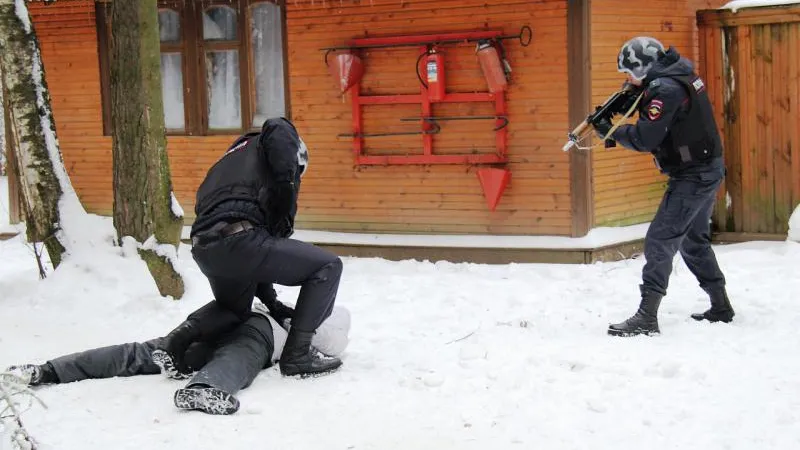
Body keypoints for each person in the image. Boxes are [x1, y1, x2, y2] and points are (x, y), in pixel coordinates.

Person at [153, 117, 344, 378]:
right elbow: (277, 126)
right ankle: (297, 356)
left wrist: (272, 302)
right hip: (239, 240)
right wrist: (287, 188)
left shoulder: (225, 168)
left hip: (206, 247)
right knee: (328, 266)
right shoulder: (275, 139)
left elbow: (260, 256)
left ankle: (173, 342)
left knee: (233, 310)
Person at [593, 36, 735, 337]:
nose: (628, 79)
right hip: (706, 168)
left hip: (693, 175)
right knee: (692, 240)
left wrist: (612, 131)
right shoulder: (676, 74)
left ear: (644, 67)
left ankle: (647, 317)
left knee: (660, 240)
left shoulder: (665, 89)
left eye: (630, 73)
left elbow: (646, 138)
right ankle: (720, 306)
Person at [4, 298, 351, 416]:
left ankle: (45, 371)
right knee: (239, 358)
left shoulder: (306, 292)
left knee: (141, 353)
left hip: (226, 317)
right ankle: (204, 387)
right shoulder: (332, 311)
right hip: (260, 330)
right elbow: (331, 344)